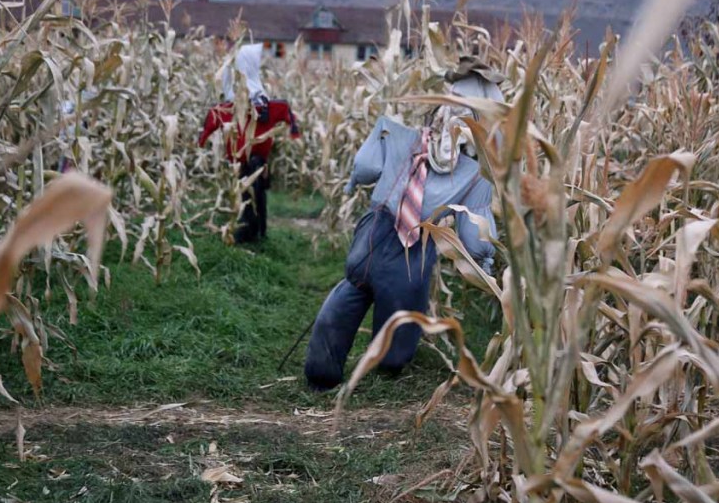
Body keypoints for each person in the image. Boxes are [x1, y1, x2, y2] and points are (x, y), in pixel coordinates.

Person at [303, 57, 503, 391]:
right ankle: (378, 368)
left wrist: (354, 181)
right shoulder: (470, 174)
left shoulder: (400, 137)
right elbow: (475, 232)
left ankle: (329, 371)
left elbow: (365, 168)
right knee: (396, 312)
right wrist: (485, 261)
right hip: (404, 247)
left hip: (383, 240)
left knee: (351, 296)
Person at [198, 43, 300, 243]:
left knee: (249, 192)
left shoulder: (243, 104)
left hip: (250, 159)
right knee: (253, 193)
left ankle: (250, 232)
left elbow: (285, 111)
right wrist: (294, 130)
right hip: (251, 159)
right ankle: (257, 231)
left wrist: (202, 139)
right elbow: (286, 111)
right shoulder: (257, 103)